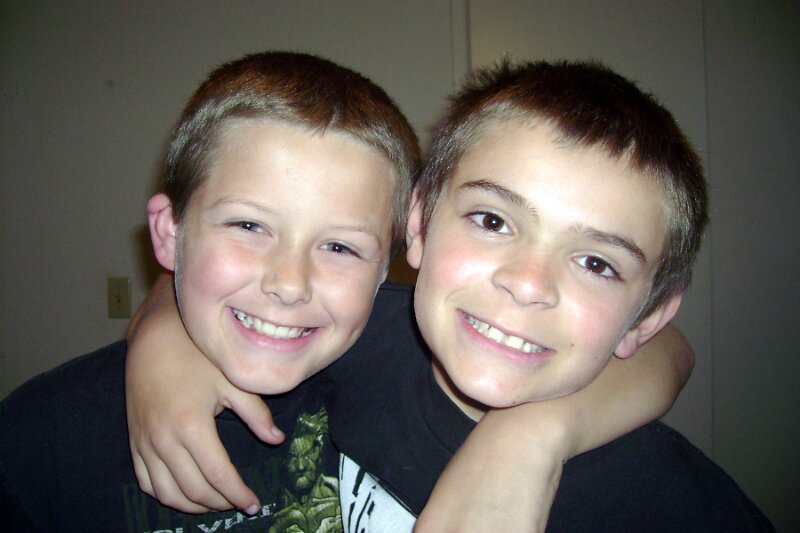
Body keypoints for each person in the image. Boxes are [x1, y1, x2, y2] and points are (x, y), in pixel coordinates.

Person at [127, 59, 774, 531]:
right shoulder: (360, 337)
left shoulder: (683, 508)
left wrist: (532, 439)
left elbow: (672, 351)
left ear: (647, 316)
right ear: (418, 225)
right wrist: (161, 341)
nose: (527, 282)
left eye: (596, 262)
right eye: (492, 220)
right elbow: (209, 272)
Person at [0, 50, 420, 532]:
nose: (289, 284)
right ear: (169, 234)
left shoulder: (414, 384)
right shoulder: (37, 441)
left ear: (384, 269)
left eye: (340, 247)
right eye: (248, 225)